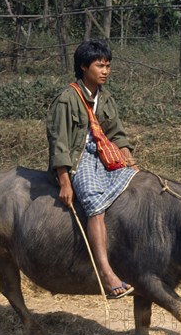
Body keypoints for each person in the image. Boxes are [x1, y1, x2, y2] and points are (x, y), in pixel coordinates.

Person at [46, 38, 138, 299]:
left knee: (136, 184)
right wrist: (65, 182)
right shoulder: (67, 99)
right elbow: (60, 144)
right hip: (80, 160)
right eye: (100, 65)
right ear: (84, 67)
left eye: (108, 65)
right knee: (95, 207)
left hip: (103, 154)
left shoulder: (105, 96)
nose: (105, 71)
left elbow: (117, 134)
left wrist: (128, 158)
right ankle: (106, 273)